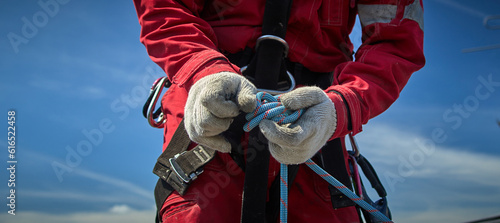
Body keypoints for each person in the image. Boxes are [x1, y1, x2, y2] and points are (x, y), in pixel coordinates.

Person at [134, 0, 425, 222]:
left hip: (314, 123)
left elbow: (395, 41)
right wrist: (201, 69)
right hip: (213, 109)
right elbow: (165, 9)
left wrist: (343, 105)